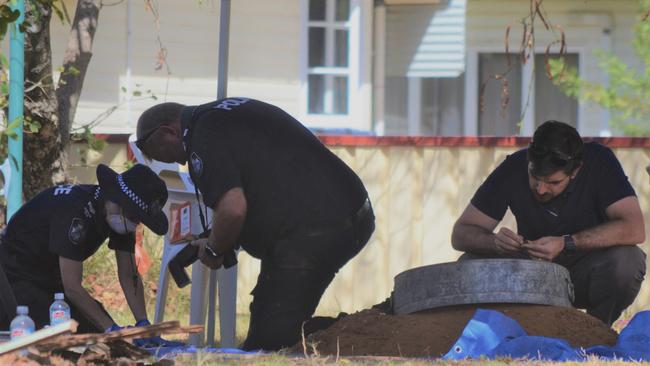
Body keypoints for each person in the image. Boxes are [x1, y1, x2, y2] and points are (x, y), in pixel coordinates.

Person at [135, 97, 375, 350]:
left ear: (167, 131)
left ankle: (370, 334)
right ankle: (365, 330)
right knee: (269, 316)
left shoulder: (203, 134)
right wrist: (215, 237)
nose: (176, 162)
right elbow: (259, 182)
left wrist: (215, 249)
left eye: (160, 153)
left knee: (270, 342)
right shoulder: (224, 112)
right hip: (346, 210)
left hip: (317, 227)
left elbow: (233, 209)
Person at [451, 120, 646, 325]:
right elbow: (460, 233)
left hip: (585, 270)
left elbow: (634, 228)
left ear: (576, 171)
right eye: (535, 177)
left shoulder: (600, 161)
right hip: (530, 273)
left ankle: (594, 331)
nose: (541, 189)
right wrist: (494, 243)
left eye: (553, 182)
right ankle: (503, 328)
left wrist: (566, 242)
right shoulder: (513, 167)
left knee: (628, 261)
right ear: (529, 160)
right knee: (469, 263)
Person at [0, 164, 179, 345]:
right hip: (12, 276)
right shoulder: (76, 212)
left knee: (94, 331)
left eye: (138, 219)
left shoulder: (118, 214)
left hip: (49, 282)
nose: (134, 223)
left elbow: (128, 274)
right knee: (58, 337)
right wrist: (112, 330)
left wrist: (144, 324)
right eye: (133, 216)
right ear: (119, 199)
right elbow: (72, 287)